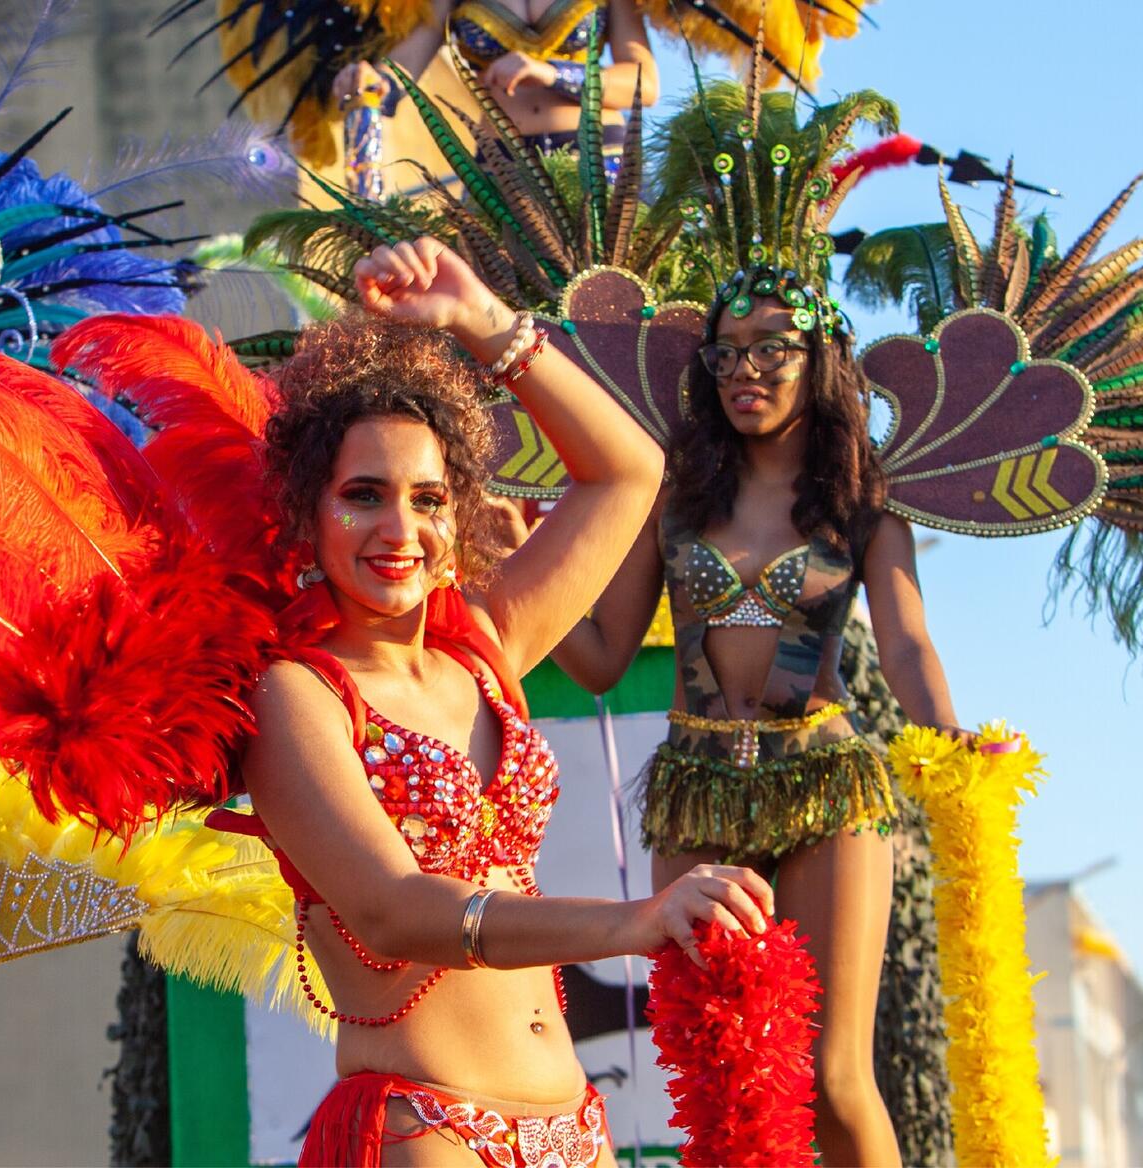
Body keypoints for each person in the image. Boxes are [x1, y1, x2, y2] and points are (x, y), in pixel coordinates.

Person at [222, 238, 777, 1167]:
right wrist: (633, 922)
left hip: (575, 1127)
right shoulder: (295, 694)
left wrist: (483, 322)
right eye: (363, 496)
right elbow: (396, 911)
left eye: (428, 499)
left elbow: (629, 473)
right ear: (305, 512)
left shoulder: (484, 645)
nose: (401, 529)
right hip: (424, 1127)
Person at [548, 282, 965, 1166]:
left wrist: (948, 731)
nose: (746, 369)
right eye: (728, 351)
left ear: (821, 365)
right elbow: (600, 657)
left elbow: (907, 644)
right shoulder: (670, 500)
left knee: (829, 1076)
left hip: (826, 786)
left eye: (773, 348)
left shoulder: (864, 506)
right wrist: (517, 562)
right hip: (695, 794)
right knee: (724, 1073)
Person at [332, 0, 659, 164]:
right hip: (501, 164)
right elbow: (402, 67)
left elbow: (644, 84)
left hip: (598, 159)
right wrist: (371, 81)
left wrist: (552, 73)